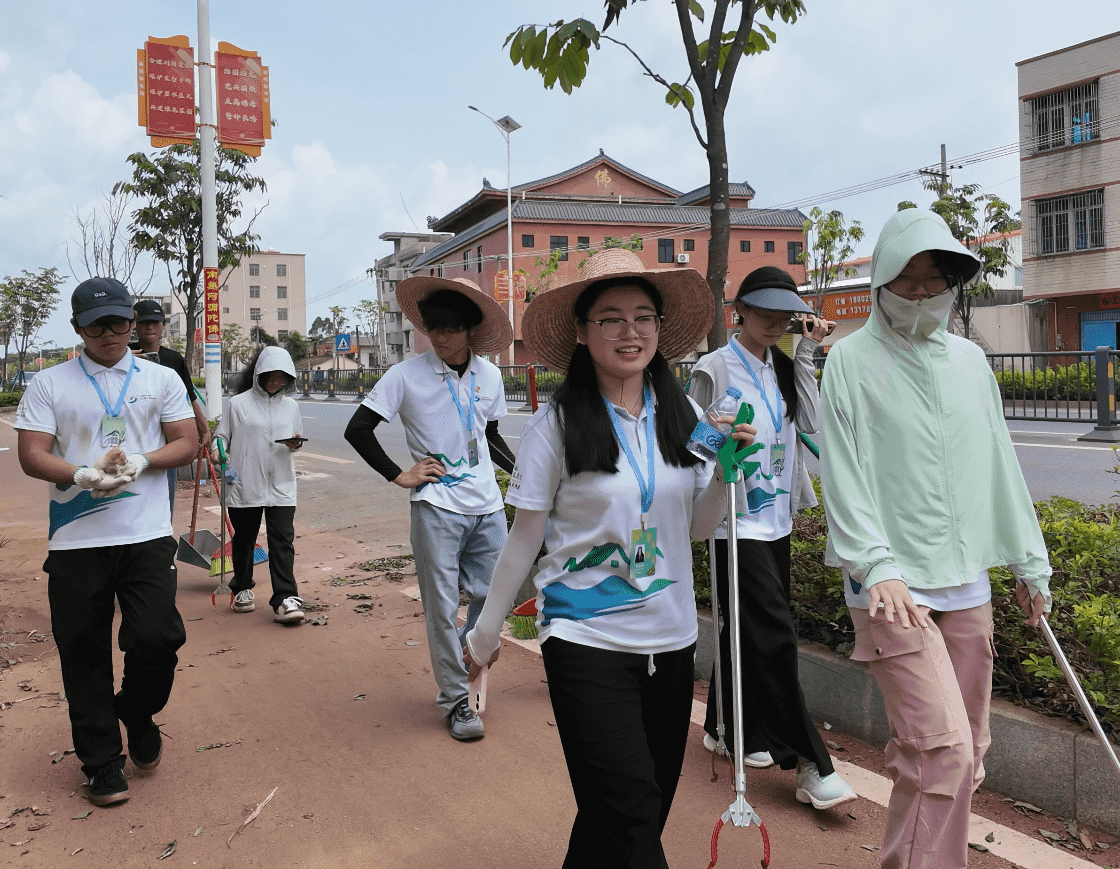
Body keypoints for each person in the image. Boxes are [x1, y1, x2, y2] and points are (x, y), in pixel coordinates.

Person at [464, 249, 752, 868]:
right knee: (627, 813)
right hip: (583, 639)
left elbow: (699, 527)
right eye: (611, 319)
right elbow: (524, 537)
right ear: (582, 332)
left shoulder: (688, 418)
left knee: (625, 812)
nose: (630, 332)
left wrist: (727, 469)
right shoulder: (558, 424)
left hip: (671, 641)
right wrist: (486, 630)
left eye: (643, 317)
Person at [819, 209, 1054, 869]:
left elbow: (999, 462)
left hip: (966, 581)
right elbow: (843, 475)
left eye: (934, 279)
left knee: (965, 752)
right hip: (892, 589)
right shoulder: (850, 361)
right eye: (907, 279)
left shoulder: (971, 361)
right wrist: (875, 564)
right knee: (940, 750)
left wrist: (1029, 563)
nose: (921, 293)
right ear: (881, 284)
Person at [12, 277, 197, 807]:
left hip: (146, 534)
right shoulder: (51, 384)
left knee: (156, 638)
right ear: (78, 328)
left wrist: (143, 460)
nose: (112, 333)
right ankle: (101, 763)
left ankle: (136, 711)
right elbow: (31, 453)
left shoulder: (160, 378)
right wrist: (81, 475)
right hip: (76, 540)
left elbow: (186, 441)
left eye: (120, 322)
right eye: (98, 325)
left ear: (133, 323)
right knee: (83, 652)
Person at [687, 265, 855, 810]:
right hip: (732, 519)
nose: (775, 321)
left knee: (745, 627)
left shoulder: (784, 364)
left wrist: (806, 356)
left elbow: (807, 420)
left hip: (775, 518)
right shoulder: (714, 368)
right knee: (775, 636)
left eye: (784, 312)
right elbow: (696, 448)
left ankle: (724, 727)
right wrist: (723, 441)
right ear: (740, 311)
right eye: (763, 310)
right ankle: (809, 761)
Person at [342, 276, 517, 742]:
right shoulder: (405, 376)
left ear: (471, 331)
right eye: (434, 327)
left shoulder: (492, 376)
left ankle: (469, 652)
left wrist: (520, 478)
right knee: (441, 608)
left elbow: (489, 435)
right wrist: (399, 474)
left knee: (495, 596)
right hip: (436, 505)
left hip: (488, 505)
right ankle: (456, 702)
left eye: (453, 327)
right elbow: (358, 429)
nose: (442, 337)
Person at [220, 346, 307, 622]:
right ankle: (242, 589)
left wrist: (294, 443)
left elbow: (295, 438)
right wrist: (218, 449)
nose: (276, 382)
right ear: (259, 374)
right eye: (271, 376)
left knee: (282, 540)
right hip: (247, 482)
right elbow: (221, 436)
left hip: (281, 483)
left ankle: (285, 598)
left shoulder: (291, 406)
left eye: (282, 378)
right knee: (244, 539)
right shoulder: (238, 404)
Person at [131, 299, 211, 511]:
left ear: (162, 326)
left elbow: (189, 397)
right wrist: (122, 361)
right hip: (133, 439)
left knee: (164, 500)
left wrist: (204, 429)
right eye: (144, 322)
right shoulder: (121, 356)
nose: (150, 327)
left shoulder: (173, 359)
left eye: (155, 322)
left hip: (167, 441)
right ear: (133, 326)